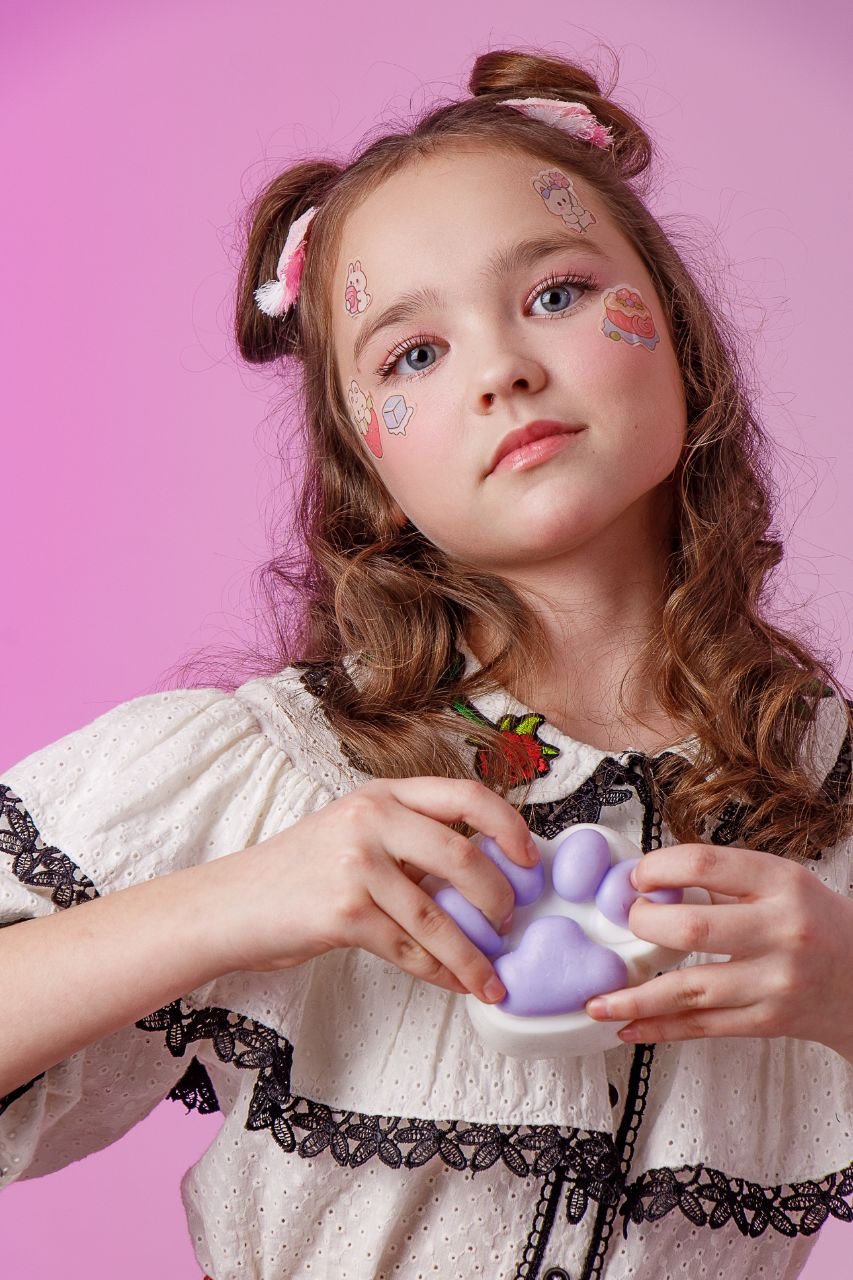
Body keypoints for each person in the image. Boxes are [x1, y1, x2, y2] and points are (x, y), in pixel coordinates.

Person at [1, 45, 852, 1280]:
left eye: (555, 292)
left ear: (675, 329)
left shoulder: (825, 794)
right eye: (412, 354)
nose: (502, 368)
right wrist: (241, 896)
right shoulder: (280, 775)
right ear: (371, 466)